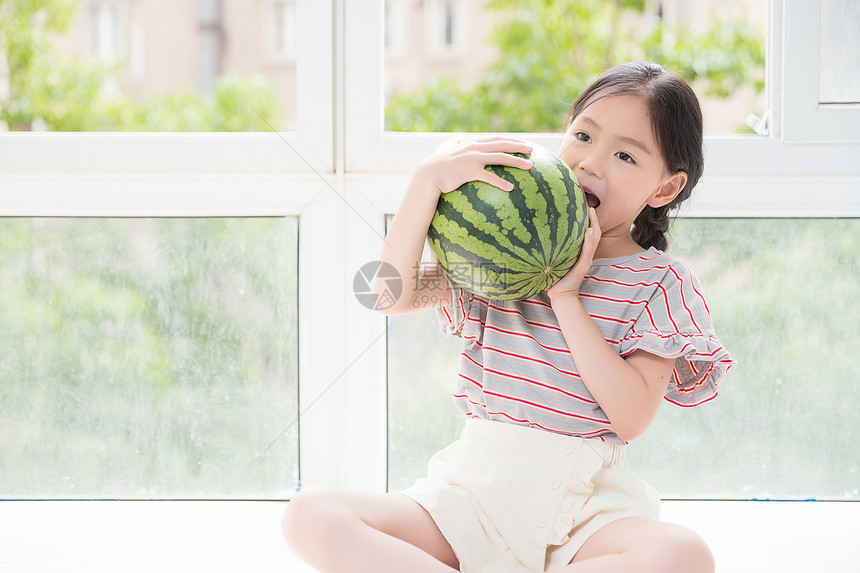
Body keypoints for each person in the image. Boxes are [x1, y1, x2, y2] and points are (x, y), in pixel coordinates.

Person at [282, 62, 734, 573]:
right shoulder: (498, 256)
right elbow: (385, 293)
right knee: (311, 514)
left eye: (626, 155)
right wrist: (425, 183)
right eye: (583, 135)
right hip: (470, 501)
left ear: (665, 189)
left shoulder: (660, 282)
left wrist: (566, 298)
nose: (589, 163)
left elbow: (631, 417)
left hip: (586, 517)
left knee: (683, 554)